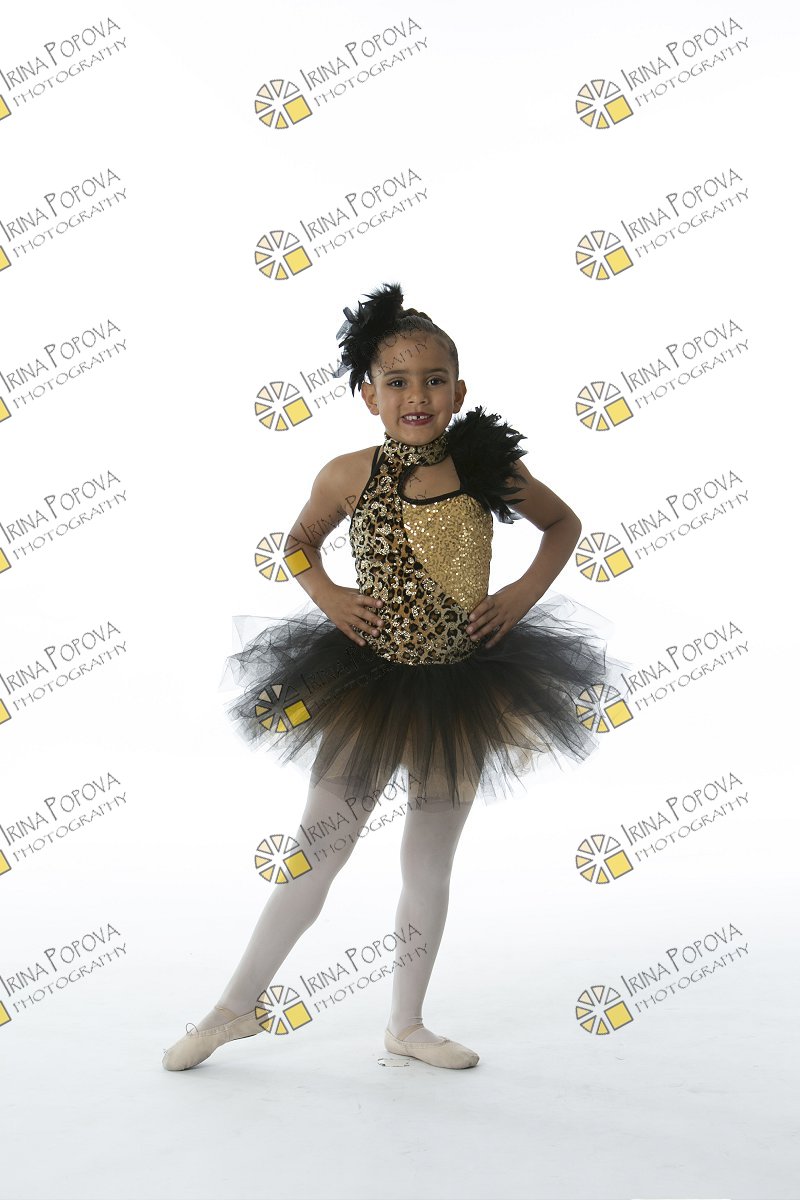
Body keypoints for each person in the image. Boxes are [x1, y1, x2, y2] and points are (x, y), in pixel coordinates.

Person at [162, 281, 627, 1073]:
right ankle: (235, 1007)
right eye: (399, 381)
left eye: (434, 379)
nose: (418, 395)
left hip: (462, 688)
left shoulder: (485, 467)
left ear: (460, 392)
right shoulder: (349, 474)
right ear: (369, 395)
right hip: (370, 685)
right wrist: (331, 596)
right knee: (318, 849)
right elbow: (297, 545)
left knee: (428, 861)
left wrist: (519, 594)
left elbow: (563, 523)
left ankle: (406, 1024)